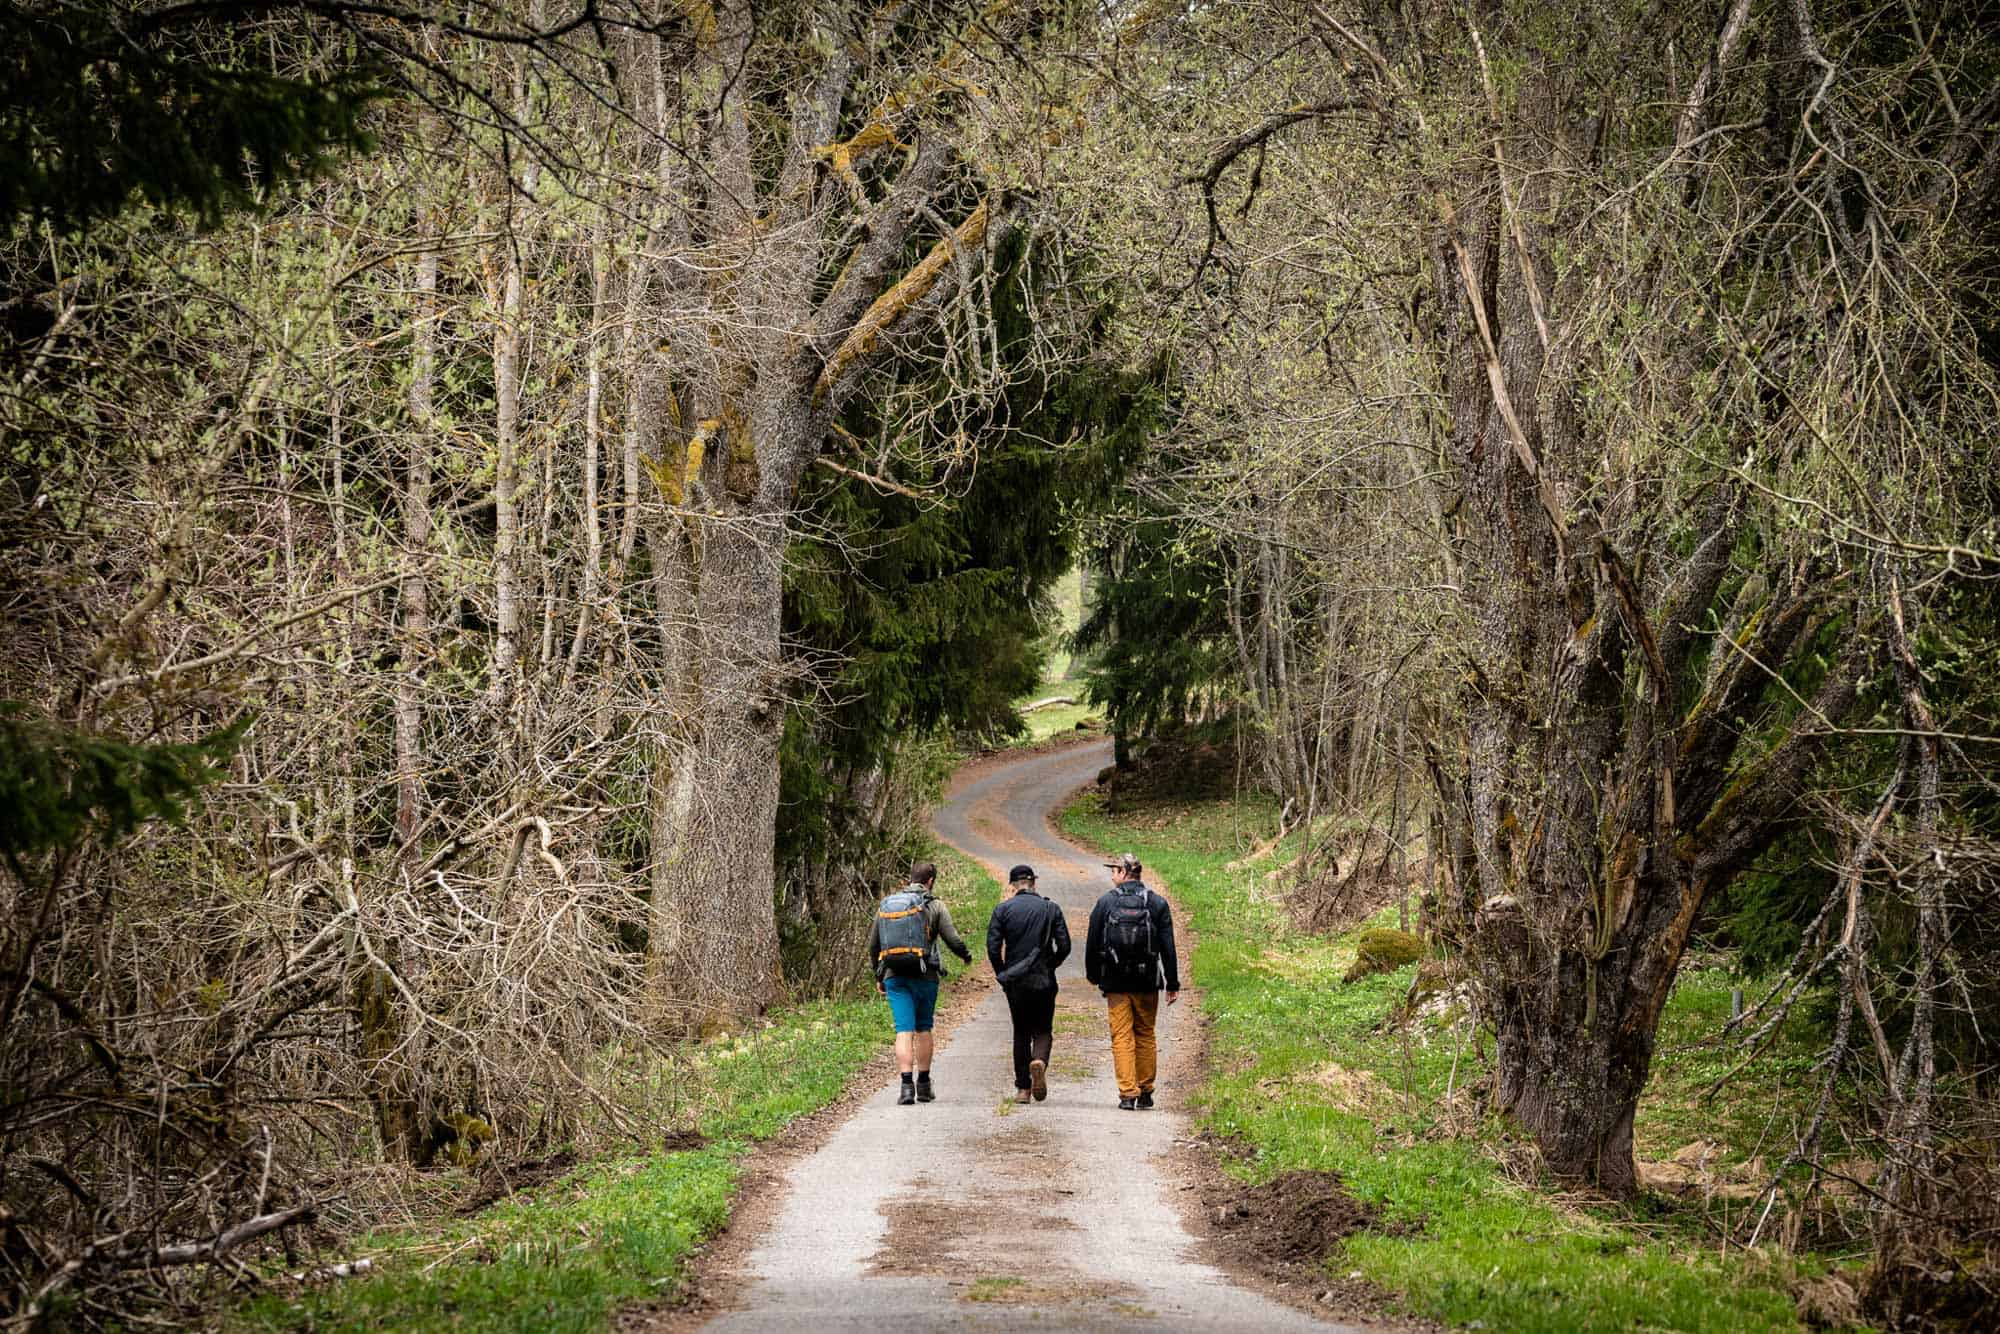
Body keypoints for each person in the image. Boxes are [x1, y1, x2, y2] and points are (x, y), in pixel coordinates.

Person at [867, 861, 973, 1105]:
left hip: (895, 976)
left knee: (903, 1029)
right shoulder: (935, 905)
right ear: (931, 881)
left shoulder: (889, 905)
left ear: (909, 878)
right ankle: (923, 1085)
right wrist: (965, 956)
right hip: (926, 976)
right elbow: (952, 938)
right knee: (923, 1028)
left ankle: (906, 1087)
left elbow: (874, 944)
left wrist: (879, 975)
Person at [1084, 852, 1179, 1110]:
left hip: (1115, 982)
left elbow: (1093, 942)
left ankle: (1127, 1094)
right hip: (1147, 980)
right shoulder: (1157, 903)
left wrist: (1094, 975)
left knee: (1122, 1036)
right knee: (1145, 1033)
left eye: (1114, 870)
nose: (1112, 875)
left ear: (1125, 873)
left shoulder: (1105, 903)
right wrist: (1172, 982)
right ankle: (1146, 1090)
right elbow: (1168, 946)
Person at [986, 863, 1072, 1104]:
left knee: (1021, 1032)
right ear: (1034, 882)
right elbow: (1065, 946)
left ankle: (1023, 1089)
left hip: (1016, 982)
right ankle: (1039, 1062)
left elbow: (993, 948)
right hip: (1044, 979)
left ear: (1013, 885)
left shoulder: (1003, 910)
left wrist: (1003, 973)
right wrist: (1051, 964)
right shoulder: (1050, 908)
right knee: (1043, 1029)